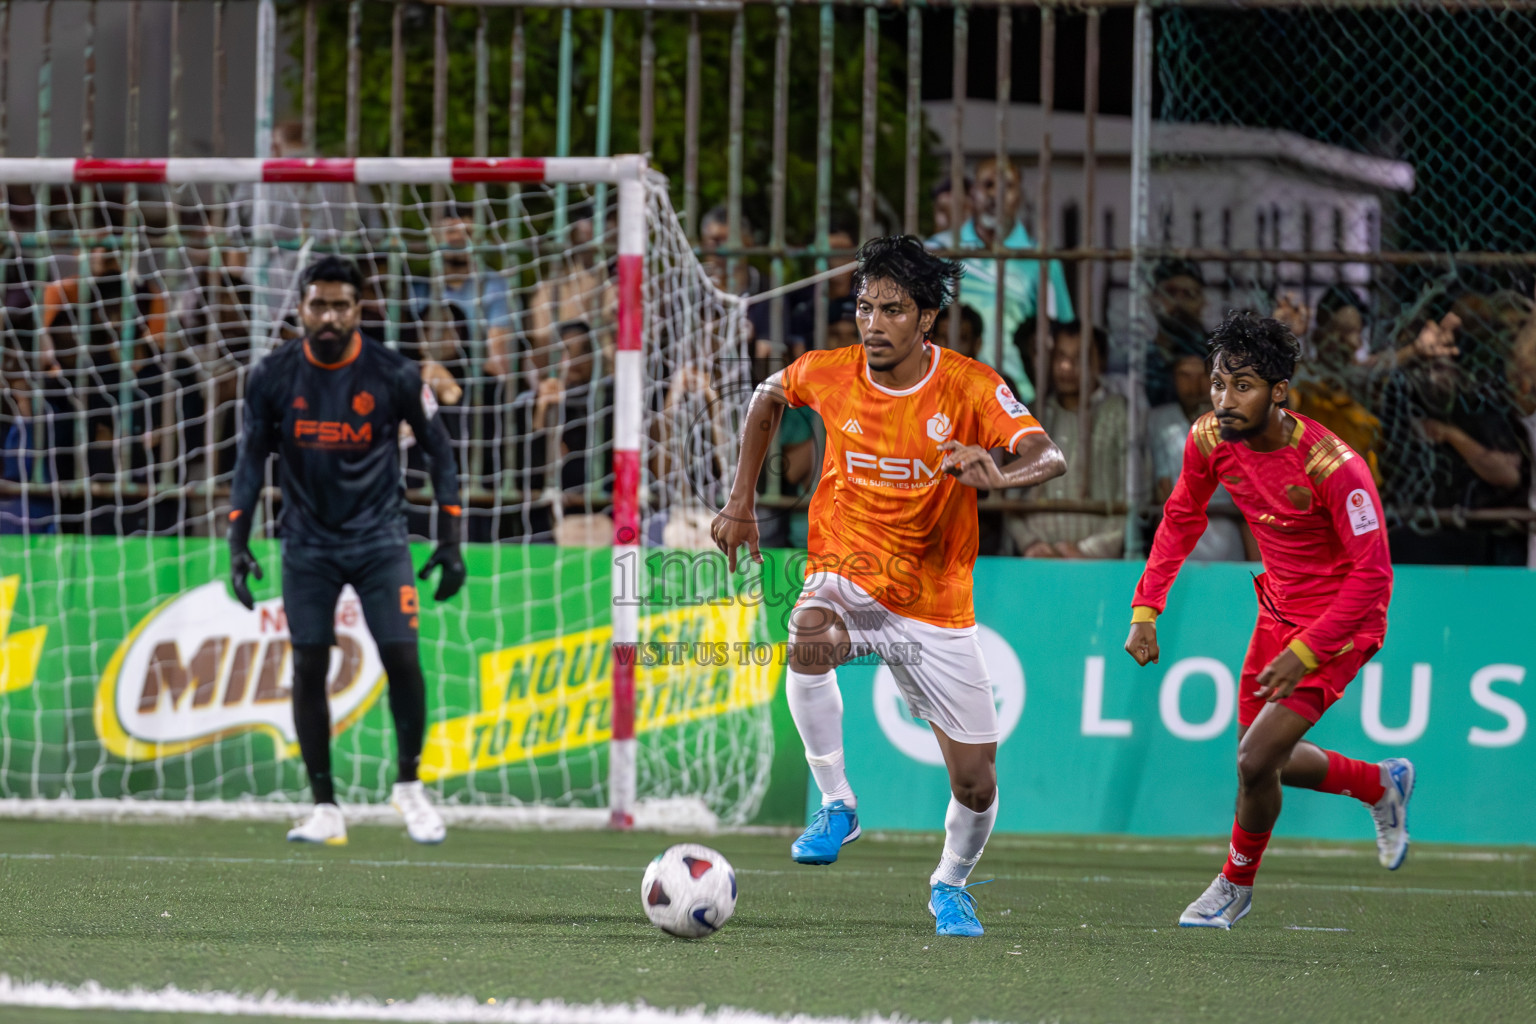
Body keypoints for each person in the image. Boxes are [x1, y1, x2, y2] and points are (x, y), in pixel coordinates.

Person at [710, 236, 1067, 937]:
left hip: (934, 600)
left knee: (976, 781)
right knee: (807, 634)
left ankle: (950, 885)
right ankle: (837, 804)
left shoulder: (968, 385)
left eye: (893, 310)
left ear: (927, 317)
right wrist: (741, 500)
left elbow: (1046, 454)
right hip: (847, 569)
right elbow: (767, 395)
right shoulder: (831, 371)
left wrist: (1001, 474)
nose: (873, 323)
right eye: (865, 307)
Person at [1124, 311, 1413, 930]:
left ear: (1279, 391)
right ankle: (1379, 784)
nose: (1225, 400)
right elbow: (1181, 517)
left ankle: (1233, 886)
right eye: (1218, 384)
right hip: (1278, 614)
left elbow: (1374, 577)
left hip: (1343, 624)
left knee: (1255, 763)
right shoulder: (1209, 440)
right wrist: (1147, 607)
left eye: (1244, 386)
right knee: (1260, 762)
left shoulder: (1334, 467)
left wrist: (1310, 652)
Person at [226, 256, 466, 847]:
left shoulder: (395, 375)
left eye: (340, 305)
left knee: (401, 657)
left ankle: (409, 785)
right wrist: (237, 539)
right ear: (300, 309)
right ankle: (325, 806)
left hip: (381, 540)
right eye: (317, 305)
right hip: (306, 542)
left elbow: (439, 452)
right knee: (308, 664)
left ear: (359, 310)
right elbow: (250, 462)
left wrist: (452, 539)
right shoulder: (271, 376)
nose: (328, 316)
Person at [926, 158, 1074, 401]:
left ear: (1019, 197)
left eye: (1007, 186)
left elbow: (1062, 332)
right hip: (947, 391)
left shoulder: (1041, 260)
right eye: (988, 185)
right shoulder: (939, 251)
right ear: (972, 194)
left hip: (1020, 397)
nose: (996, 194)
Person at [1007, 321, 1127, 559]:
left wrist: (1088, 551)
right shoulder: (1030, 416)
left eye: (1079, 358)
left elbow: (1133, 498)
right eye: (1060, 356)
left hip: (1097, 565)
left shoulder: (1119, 414)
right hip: (1036, 562)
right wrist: (1029, 544)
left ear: (1100, 363)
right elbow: (1007, 494)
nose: (1066, 366)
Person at [1147, 351, 1253, 562]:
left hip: (1227, 532)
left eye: (1201, 376)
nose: (1193, 385)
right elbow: (1163, 484)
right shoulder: (1160, 420)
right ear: (1173, 378)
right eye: (1184, 376)